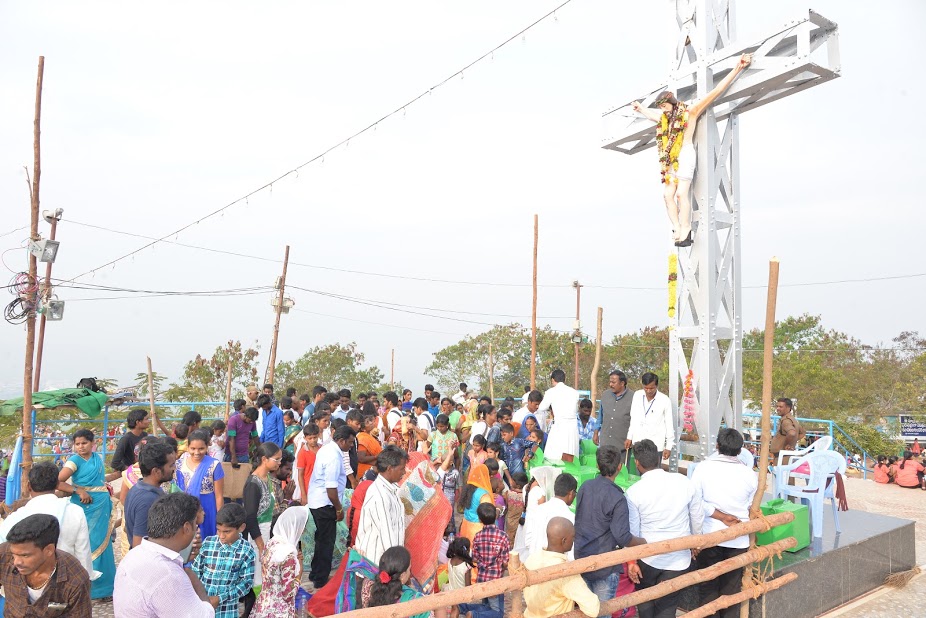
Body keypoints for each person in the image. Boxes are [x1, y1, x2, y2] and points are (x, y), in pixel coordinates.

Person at [631, 53, 752, 245]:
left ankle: (686, 228)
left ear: (671, 103)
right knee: (667, 195)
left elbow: (716, 92)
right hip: (670, 160)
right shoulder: (664, 119)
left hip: (685, 154)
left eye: (664, 106)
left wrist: (737, 68)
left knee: (681, 194)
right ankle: (677, 226)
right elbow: (651, 115)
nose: (663, 110)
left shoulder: (690, 112)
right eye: (661, 107)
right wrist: (640, 109)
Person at [626, 439, 703, 618]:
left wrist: (631, 561)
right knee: (668, 607)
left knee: (645, 603)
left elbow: (632, 532)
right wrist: (696, 542)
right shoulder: (684, 482)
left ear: (637, 463)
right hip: (679, 559)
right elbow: (697, 516)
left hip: (648, 559)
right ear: (660, 458)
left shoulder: (634, 492)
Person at [689, 428, 758, 618]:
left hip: (710, 537)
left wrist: (718, 516)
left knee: (708, 588)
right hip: (738, 539)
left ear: (717, 446)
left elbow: (695, 503)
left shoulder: (703, 468)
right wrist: (727, 517)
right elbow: (752, 507)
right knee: (732, 590)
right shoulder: (749, 475)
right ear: (740, 449)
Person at [114, 492, 214, 616]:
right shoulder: (168, 575)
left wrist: (182, 560)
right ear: (187, 528)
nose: (196, 530)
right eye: (195, 525)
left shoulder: (134, 554)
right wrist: (206, 600)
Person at [574, 445, 645, 609]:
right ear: (620, 467)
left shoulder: (585, 487)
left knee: (584, 610)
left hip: (581, 557)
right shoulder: (618, 498)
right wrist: (643, 542)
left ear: (597, 466)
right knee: (602, 611)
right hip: (604, 564)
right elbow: (623, 537)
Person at [0, 462, 96, 580]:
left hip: (25, 584)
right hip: (64, 582)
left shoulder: (14, 518)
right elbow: (83, 553)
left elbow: (4, 552)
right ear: (57, 484)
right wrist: (86, 579)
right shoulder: (75, 512)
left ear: (28, 486)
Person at [56, 429, 119, 600]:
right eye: (77, 444)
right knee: (87, 544)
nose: (81, 447)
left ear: (93, 443)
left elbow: (99, 480)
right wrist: (78, 490)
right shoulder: (74, 461)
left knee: (105, 544)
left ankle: (106, 588)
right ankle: (90, 589)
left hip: (101, 505)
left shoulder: (96, 457)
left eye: (84, 443)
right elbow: (57, 481)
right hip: (86, 506)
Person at [0, 514, 91, 617]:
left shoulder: (75, 580)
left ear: (49, 550)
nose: (16, 562)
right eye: (13, 554)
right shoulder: (3, 554)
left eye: (25, 555)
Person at [306, 425, 356, 589]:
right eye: (349, 443)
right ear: (341, 441)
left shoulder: (327, 449)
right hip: (326, 503)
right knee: (326, 543)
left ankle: (315, 573)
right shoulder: (334, 456)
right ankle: (320, 580)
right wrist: (339, 508)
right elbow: (331, 489)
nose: (350, 446)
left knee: (320, 540)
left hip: (317, 500)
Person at [523, 517, 600, 618]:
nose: (574, 541)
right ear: (564, 541)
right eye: (573, 537)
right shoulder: (565, 572)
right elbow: (593, 608)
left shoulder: (531, 559)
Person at [190, 503, 257, 618]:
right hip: (201, 607)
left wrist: (220, 598)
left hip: (227, 612)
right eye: (218, 530)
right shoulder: (208, 543)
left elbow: (246, 584)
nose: (221, 536)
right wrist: (201, 597)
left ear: (241, 528)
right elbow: (195, 572)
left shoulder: (247, 551)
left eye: (227, 531)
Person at [252, 506, 310, 618]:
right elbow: (288, 594)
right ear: (296, 527)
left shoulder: (270, 543)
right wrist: (299, 572)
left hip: (263, 605)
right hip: (279, 611)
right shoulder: (288, 555)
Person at [355, 446, 408, 565]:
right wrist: (397, 567)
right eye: (402, 469)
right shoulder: (380, 495)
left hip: (387, 560)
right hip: (379, 563)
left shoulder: (391, 489)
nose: (404, 472)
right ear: (390, 469)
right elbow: (387, 535)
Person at [459, 503, 510, 618]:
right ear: (496, 516)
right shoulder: (503, 536)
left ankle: (463, 608)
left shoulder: (478, 536)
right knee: (497, 613)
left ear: (480, 519)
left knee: (487, 607)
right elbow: (505, 561)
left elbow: (475, 558)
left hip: (482, 578)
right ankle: (472, 614)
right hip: (496, 580)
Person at [124, 439, 176, 548]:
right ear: (156, 471)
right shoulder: (148, 500)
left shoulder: (136, 488)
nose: (174, 468)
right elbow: (138, 545)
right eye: (171, 465)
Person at [244, 442, 283, 588]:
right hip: (256, 535)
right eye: (276, 459)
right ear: (264, 459)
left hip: (267, 532)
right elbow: (250, 517)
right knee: (258, 576)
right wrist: (261, 545)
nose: (279, 463)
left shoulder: (268, 479)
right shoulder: (253, 484)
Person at [175, 429, 225, 539]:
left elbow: (219, 496)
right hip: (185, 510)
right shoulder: (178, 464)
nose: (196, 452)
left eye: (201, 448)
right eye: (193, 448)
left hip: (207, 509)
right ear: (188, 447)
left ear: (207, 447)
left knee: (206, 540)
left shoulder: (214, 465)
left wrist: (221, 522)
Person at [365, 545, 429, 617]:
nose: (410, 573)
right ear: (402, 576)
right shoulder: (414, 600)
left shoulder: (371, 589)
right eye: (409, 569)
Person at [525, 473, 577, 559]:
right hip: (557, 567)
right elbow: (571, 552)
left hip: (534, 564)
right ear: (571, 493)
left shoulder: (538, 510)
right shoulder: (571, 517)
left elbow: (528, 541)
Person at [626, 373, 674, 461]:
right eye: (646, 388)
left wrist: (669, 446)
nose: (648, 391)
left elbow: (669, 423)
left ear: (657, 386)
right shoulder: (637, 395)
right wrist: (629, 437)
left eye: (651, 388)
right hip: (638, 442)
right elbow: (633, 418)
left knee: (654, 472)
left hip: (655, 444)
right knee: (639, 472)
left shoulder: (664, 400)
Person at [537, 369, 580, 463]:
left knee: (554, 455)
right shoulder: (574, 392)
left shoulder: (551, 392)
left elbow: (542, 407)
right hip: (572, 427)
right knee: (571, 453)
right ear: (564, 379)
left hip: (560, 425)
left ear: (553, 380)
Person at [459, 463, 495, 543]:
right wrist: (498, 509)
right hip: (478, 529)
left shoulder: (468, 488)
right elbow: (487, 514)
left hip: (465, 526)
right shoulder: (483, 494)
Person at [599, 370, 633, 452]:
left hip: (622, 446)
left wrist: (631, 438)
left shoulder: (633, 397)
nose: (611, 385)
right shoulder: (605, 395)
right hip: (605, 443)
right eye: (610, 382)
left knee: (621, 465)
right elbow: (600, 415)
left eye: (613, 382)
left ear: (622, 383)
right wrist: (596, 432)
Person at [297, 423, 322, 505]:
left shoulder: (322, 449)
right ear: (305, 438)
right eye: (310, 438)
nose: (313, 440)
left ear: (318, 435)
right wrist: (304, 495)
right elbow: (300, 475)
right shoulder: (303, 453)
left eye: (315, 437)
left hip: (321, 487)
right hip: (309, 488)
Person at [357, 413, 384, 478]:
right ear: (363, 429)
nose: (371, 423)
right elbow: (361, 458)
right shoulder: (363, 438)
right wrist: (376, 457)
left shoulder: (369, 436)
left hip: (373, 469)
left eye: (370, 421)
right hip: (365, 472)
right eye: (367, 422)